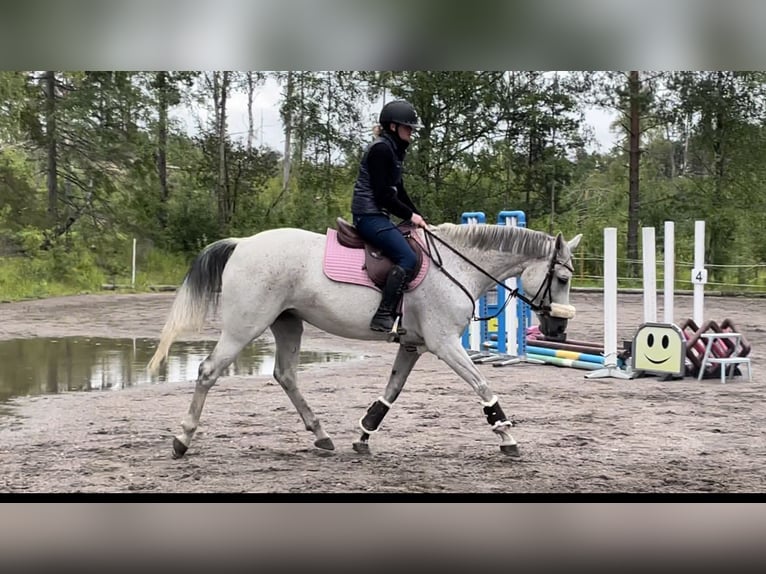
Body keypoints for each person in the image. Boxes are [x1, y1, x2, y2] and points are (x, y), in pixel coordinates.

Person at [351, 99, 428, 332]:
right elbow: (384, 195)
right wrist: (409, 216)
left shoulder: (393, 151)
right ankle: (383, 315)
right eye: (408, 128)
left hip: (378, 215)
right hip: (368, 215)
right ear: (393, 127)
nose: (412, 133)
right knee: (408, 258)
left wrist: (418, 216)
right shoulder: (381, 150)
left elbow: (399, 191)